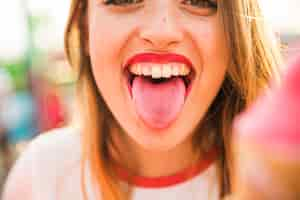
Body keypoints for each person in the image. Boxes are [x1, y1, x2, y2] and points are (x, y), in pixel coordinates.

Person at [2, 0, 299, 200]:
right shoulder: (40, 176)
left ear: (237, 32)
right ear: (84, 24)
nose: (162, 32)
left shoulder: (280, 177)